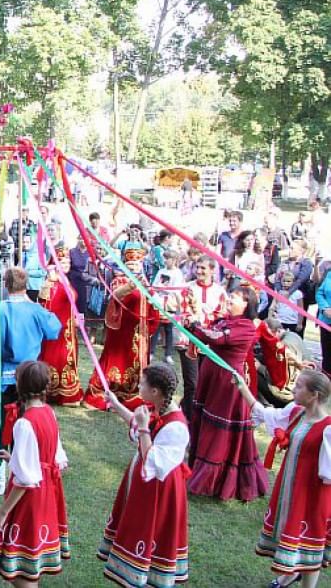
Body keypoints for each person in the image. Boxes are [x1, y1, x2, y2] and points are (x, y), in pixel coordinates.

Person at [236, 369, 331, 588]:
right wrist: (242, 387)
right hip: (291, 486)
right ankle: (289, 576)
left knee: (310, 543)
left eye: (299, 386)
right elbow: (264, 414)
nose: (293, 389)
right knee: (295, 535)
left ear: (314, 394)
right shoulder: (296, 412)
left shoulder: (327, 429)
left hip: (313, 495)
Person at [98, 363, 190, 587]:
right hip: (144, 483)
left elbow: (153, 460)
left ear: (155, 391)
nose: (139, 385)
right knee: (138, 527)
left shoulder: (176, 427)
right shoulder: (159, 410)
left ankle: (147, 575)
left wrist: (143, 428)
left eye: (143, 383)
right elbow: (136, 422)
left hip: (160, 489)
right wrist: (116, 403)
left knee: (153, 531)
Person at [0, 267, 62, 495]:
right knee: (28, 426)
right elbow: (55, 330)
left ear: (5, 284)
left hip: (2, 379)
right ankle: (23, 471)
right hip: (29, 379)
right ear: (26, 285)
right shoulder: (36, 311)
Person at [0, 361, 70, 584]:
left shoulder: (24, 423)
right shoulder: (49, 413)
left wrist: (2, 513)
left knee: (22, 573)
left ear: (19, 386)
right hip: (47, 493)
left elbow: (25, 479)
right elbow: (52, 459)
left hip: (29, 501)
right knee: (29, 565)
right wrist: (15, 459)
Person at [184, 285, 269, 502]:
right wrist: (192, 324)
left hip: (227, 384)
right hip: (211, 378)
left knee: (218, 429)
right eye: (230, 296)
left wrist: (197, 327)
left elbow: (216, 338)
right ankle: (195, 469)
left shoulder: (247, 327)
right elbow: (206, 334)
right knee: (203, 422)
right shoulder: (226, 320)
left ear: (247, 304)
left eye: (235, 298)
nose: (229, 300)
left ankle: (213, 481)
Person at [82, 246, 161, 411]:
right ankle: (103, 394)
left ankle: (133, 394)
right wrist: (129, 287)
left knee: (136, 363)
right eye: (130, 264)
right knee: (114, 361)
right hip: (121, 333)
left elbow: (153, 302)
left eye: (136, 264)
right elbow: (115, 295)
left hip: (139, 334)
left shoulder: (145, 283)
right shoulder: (119, 280)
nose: (133, 267)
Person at [177, 256, 226, 420]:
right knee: (192, 384)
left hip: (210, 344)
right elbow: (185, 314)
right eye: (197, 267)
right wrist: (198, 319)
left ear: (212, 270)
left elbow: (221, 317)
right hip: (189, 342)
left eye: (203, 268)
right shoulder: (188, 288)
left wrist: (203, 319)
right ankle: (190, 422)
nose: (199, 271)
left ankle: (186, 411)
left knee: (206, 385)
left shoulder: (220, 292)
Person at [38, 247, 83, 406]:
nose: (66, 264)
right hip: (57, 330)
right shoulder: (52, 282)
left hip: (68, 329)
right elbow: (46, 307)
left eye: (68, 261)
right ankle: (53, 392)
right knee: (55, 359)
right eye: (62, 261)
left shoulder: (64, 279)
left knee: (66, 359)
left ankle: (66, 392)